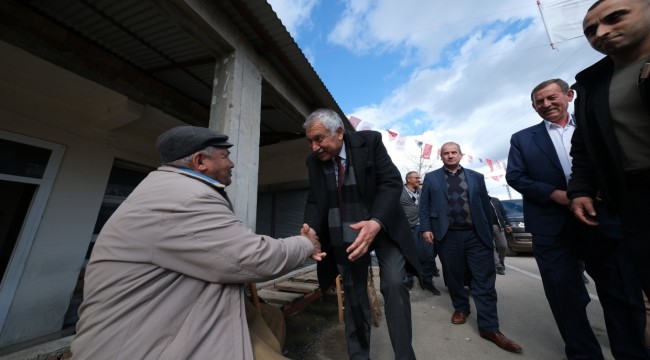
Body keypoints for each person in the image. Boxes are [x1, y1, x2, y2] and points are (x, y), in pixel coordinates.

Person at [70, 126, 325, 359]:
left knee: (269, 317)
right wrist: (305, 244)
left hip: (171, 315)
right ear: (200, 161)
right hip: (142, 345)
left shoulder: (172, 187)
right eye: (225, 156)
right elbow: (254, 259)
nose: (232, 163)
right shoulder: (187, 197)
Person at [506, 79, 648, 359]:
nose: (546, 105)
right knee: (565, 294)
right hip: (552, 228)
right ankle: (583, 352)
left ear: (569, 95)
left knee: (621, 292)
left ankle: (632, 352)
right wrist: (555, 195)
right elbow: (515, 176)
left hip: (602, 220)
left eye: (551, 97)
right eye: (539, 102)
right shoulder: (522, 138)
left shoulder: (592, 128)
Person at [302, 108, 421, 360]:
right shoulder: (313, 162)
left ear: (339, 133)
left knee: (395, 283)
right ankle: (358, 356)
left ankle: (404, 356)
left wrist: (376, 221)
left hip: (383, 224)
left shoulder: (370, 142)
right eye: (310, 141)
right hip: (344, 230)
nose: (314, 147)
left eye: (319, 139)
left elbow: (391, 182)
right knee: (354, 292)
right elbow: (315, 199)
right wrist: (310, 227)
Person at [570, 0, 650, 306]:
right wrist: (580, 189)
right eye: (590, 31)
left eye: (616, 18)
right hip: (634, 200)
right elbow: (585, 147)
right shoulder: (591, 86)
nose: (601, 32)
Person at [420, 142, 522, 353]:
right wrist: (426, 228)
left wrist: (490, 230)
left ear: (461, 155)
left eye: (453, 152)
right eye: (446, 153)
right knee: (454, 275)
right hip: (447, 236)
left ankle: (489, 327)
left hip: (476, 235)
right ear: (441, 157)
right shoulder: (431, 178)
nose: (450, 156)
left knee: (484, 279)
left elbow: (484, 206)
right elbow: (425, 206)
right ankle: (461, 308)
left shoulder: (476, 176)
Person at [400, 171, 441, 294]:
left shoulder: (422, 192)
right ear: (408, 179)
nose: (419, 179)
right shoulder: (399, 192)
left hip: (424, 228)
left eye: (419, 177)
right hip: (408, 228)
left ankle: (427, 281)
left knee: (428, 256)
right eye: (416, 177)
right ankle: (408, 279)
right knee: (409, 255)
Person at [489, 196, 512, 275]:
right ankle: (498, 265)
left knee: (503, 245)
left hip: (498, 226)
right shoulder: (479, 200)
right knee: (492, 246)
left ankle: (501, 260)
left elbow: (503, 213)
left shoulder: (495, 200)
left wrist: (508, 224)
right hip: (486, 227)